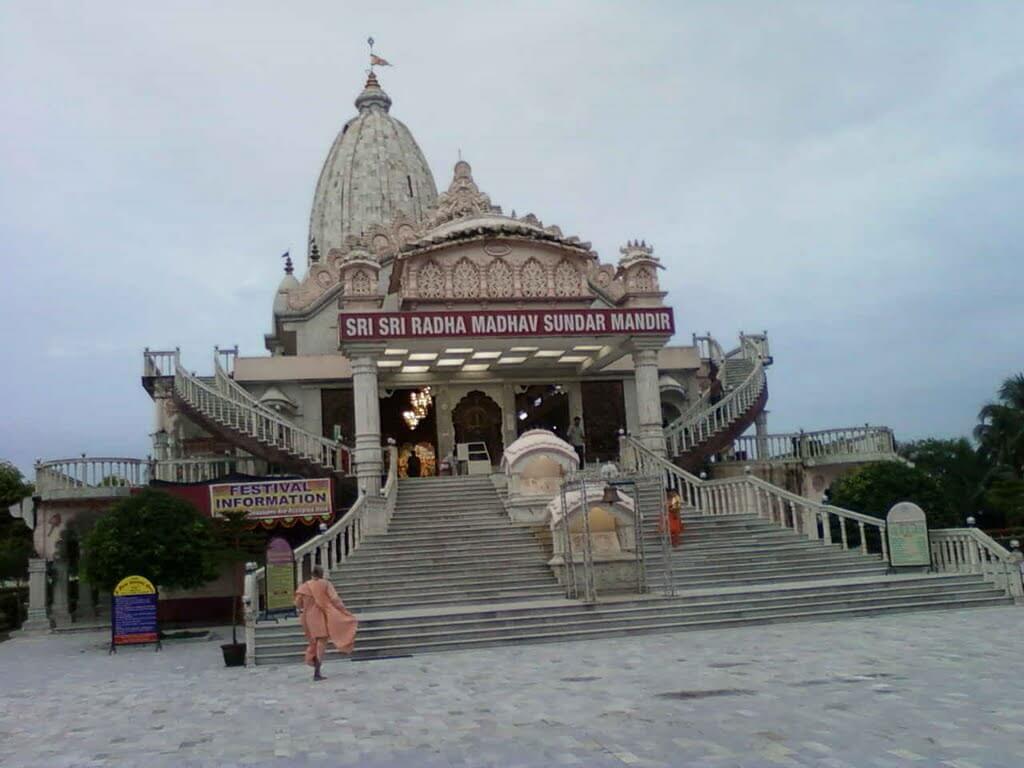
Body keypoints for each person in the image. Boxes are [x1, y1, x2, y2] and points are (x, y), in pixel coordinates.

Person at [294, 565, 358, 681]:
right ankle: (317, 671)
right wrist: (343, 611)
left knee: (313, 642)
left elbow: (298, 604)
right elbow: (335, 599)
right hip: (320, 616)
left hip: (307, 617)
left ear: (312, 574)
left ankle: (314, 663)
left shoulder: (304, 586)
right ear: (322, 574)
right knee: (321, 642)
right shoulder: (325, 584)